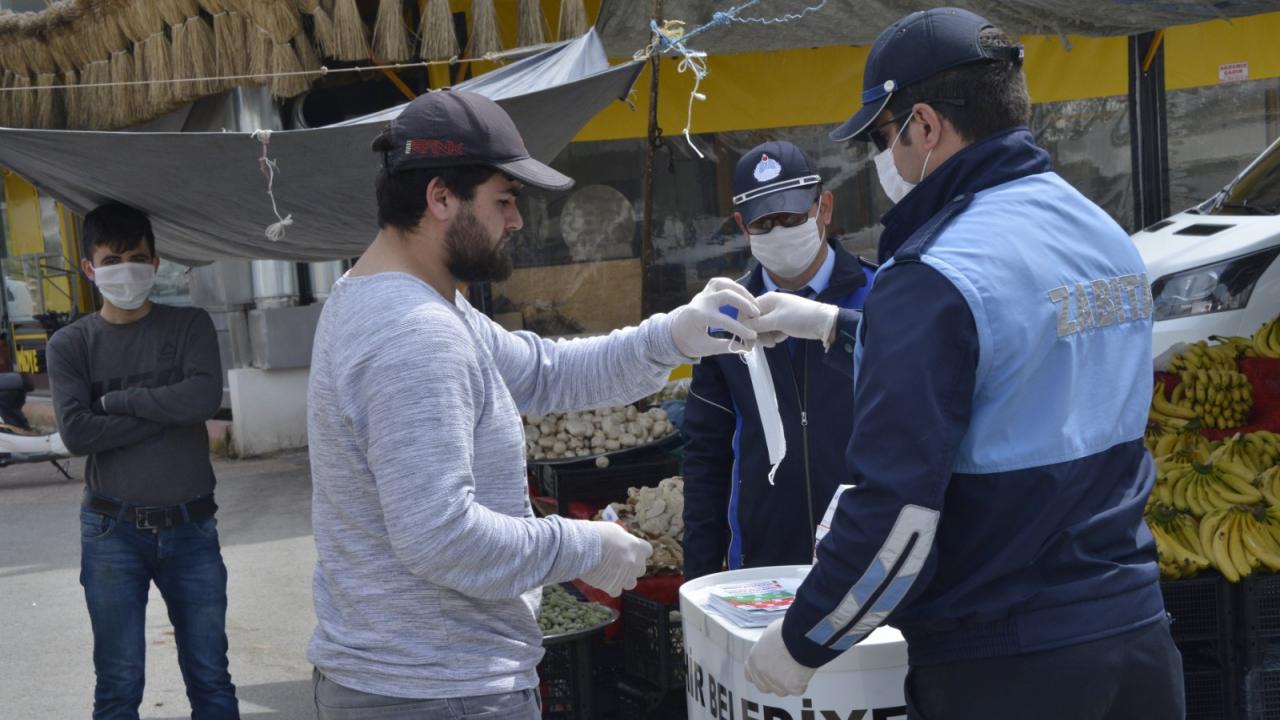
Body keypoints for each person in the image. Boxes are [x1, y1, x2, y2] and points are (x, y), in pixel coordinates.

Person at [741, 8, 1184, 718]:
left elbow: (898, 515)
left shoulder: (932, 272)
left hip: (1005, 661)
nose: (883, 157)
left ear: (923, 126)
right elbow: (1018, 363)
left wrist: (803, 640)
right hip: (1135, 639)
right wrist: (842, 328)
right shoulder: (1101, 233)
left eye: (883, 136)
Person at [305, 89, 760, 719]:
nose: (516, 222)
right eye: (504, 200)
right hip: (439, 689)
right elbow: (441, 538)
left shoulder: (408, 301)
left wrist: (673, 334)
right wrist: (587, 545)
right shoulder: (414, 332)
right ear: (440, 198)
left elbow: (544, 374)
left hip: (417, 681)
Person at [46, 202, 236, 719]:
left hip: (192, 527)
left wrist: (118, 402)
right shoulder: (70, 345)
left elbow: (202, 400)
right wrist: (165, 409)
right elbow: (78, 432)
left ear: (156, 263)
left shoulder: (189, 325)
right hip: (113, 531)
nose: (124, 269)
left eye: (136, 257)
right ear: (89, 268)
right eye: (111, 260)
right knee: (119, 681)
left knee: (210, 676)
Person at [682, 140, 874, 581]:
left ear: (823, 207)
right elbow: (705, 455)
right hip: (764, 557)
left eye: (791, 218)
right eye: (764, 223)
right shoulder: (723, 314)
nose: (779, 232)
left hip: (868, 547)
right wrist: (699, 576)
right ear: (742, 227)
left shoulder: (880, 295)